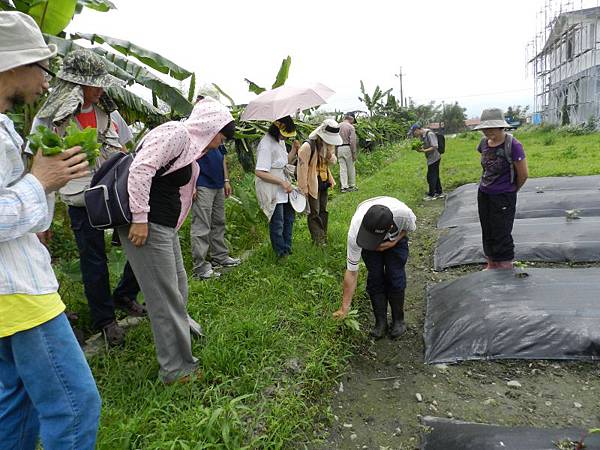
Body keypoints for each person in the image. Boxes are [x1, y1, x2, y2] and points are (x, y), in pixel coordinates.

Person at [0, 11, 101, 448]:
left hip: (18, 285)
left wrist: (49, 182)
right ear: (13, 63)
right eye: (43, 68)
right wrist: (40, 181)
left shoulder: (4, 126)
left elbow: (30, 215)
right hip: (19, 292)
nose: (47, 83)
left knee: (16, 401)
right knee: (76, 407)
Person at [118, 98, 235, 384]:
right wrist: (140, 218)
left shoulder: (192, 149)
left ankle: (180, 336)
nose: (221, 143)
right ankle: (176, 369)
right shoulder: (177, 134)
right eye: (222, 135)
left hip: (163, 226)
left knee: (179, 286)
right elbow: (141, 169)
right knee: (164, 296)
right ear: (212, 126)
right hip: (148, 224)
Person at [32, 49, 144, 346]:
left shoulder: (109, 113)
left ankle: (125, 295)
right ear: (76, 86)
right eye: (94, 85)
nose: (100, 90)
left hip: (117, 197)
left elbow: (127, 149)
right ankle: (105, 319)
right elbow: (40, 172)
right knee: (93, 259)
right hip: (81, 200)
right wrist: (43, 218)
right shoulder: (50, 120)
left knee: (138, 244)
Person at [333, 197, 416, 340]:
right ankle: (380, 323)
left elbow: (409, 229)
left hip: (395, 241)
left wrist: (393, 242)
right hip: (368, 244)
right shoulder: (356, 231)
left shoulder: (404, 215)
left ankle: (398, 320)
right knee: (375, 277)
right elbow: (352, 271)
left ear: (390, 227)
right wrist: (344, 308)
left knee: (395, 274)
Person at [190, 91, 240, 279]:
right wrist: (191, 185)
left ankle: (220, 256)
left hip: (218, 182)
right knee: (201, 225)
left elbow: (222, 157)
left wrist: (226, 180)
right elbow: (188, 160)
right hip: (201, 182)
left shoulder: (216, 126)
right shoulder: (194, 128)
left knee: (219, 221)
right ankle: (200, 267)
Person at [473, 108, 528, 270]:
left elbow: (523, 174)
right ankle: (491, 263)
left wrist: (510, 190)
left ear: (501, 127)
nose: (487, 132)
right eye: (485, 128)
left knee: (501, 231)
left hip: (504, 195)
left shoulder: (514, 145)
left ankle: (504, 265)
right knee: (487, 228)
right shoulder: (483, 143)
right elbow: (487, 166)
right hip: (484, 193)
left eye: (492, 128)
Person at [254, 116, 299, 258]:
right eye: (284, 135)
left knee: (289, 218)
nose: (285, 138)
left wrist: (293, 150)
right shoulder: (266, 144)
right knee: (277, 222)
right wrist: (280, 182)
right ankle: (280, 253)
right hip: (272, 187)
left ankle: (287, 247)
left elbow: (284, 161)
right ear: (276, 128)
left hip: (284, 186)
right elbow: (260, 171)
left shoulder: (280, 141)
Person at [297, 119, 339, 245]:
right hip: (312, 183)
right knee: (314, 212)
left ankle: (323, 235)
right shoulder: (307, 147)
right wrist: (303, 189)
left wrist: (329, 155)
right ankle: (319, 240)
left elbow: (333, 162)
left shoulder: (327, 145)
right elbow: (301, 170)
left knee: (323, 210)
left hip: (324, 181)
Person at [409, 123, 445, 201]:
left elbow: (435, 146)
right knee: (435, 175)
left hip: (435, 157)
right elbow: (426, 145)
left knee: (431, 176)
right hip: (430, 158)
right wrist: (418, 148)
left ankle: (432, 195)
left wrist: (424, 150)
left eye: (413, 132)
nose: (414, 134)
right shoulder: (422, 136)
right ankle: (439, 192)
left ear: (418, 130)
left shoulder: (430, 134)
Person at [337, 112, 358, 192]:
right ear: (351, 118)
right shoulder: (351, 127)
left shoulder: (337, 126)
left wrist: (336, 151)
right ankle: (352, 185)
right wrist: (354, 153)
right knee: (351, 167)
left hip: (339, 148)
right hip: (347, 147)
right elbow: (352, 141)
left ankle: (344, 187)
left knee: (342, 168)